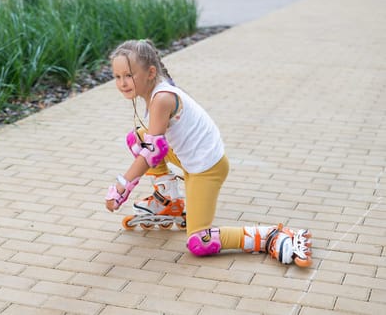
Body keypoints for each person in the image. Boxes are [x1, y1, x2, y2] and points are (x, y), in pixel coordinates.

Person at [104, 39, 312, 267]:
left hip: (207, 168)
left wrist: (123, 187)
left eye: (129, 75)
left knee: (199, 242)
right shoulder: (157, 92)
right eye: (117, 77)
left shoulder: (161, 98)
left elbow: (154, 153)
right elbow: (155, 146)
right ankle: (168, 200)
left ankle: (271, 236)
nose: (123, 83)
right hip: (189, 158)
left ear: (150, 72)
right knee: (137, 138)